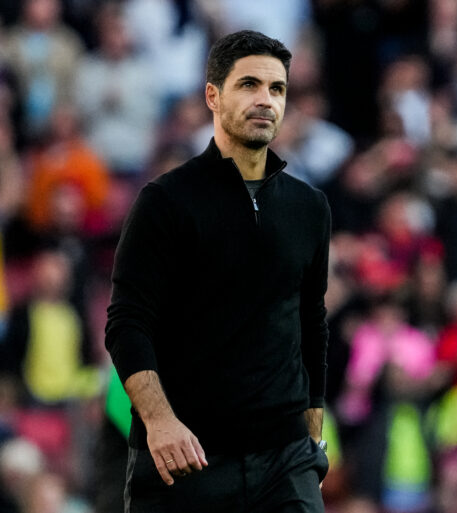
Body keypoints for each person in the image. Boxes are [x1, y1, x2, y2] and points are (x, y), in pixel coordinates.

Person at [105, 30, 331, 513]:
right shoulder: (164, 202)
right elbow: (127, 323)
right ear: (213, 95)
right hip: (186, 457)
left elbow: (311, 324)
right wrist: (160, 422)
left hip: (286, 462)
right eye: (249, 84)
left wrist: (312, 434)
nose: (266, 100)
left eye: (277, 88)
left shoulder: (309, 207)